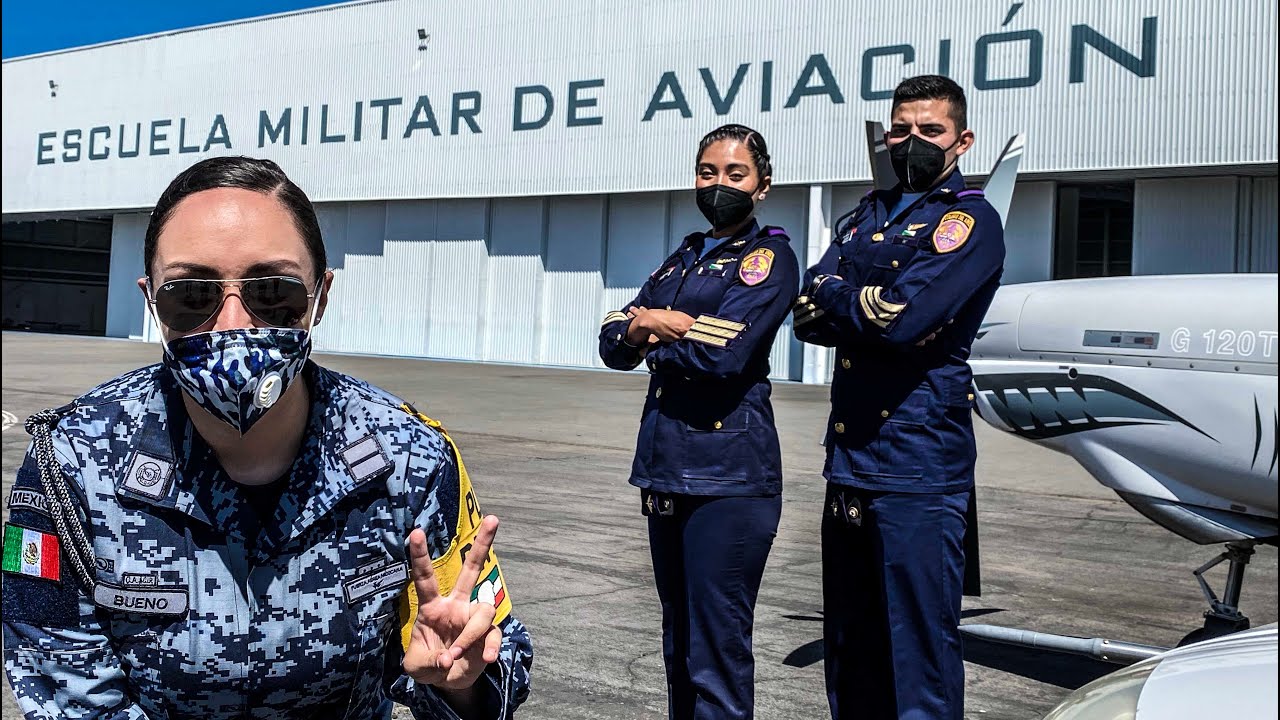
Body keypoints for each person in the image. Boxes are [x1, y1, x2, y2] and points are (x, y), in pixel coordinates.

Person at [2, 156, 533, 719]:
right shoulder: (64, 467)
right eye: (192, 296)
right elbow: (57, 678)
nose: (233, 324)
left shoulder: (413, 459)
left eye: (274, 293)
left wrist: (459, 685)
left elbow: (493, 662)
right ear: (152, 301)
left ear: (320, 297)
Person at [793, 75, 1006, 719]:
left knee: (918, 652)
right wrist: (862, 303)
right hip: (851, 458)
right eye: (902, 129)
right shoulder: (866, 213)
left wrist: (845, 300)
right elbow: (805, 311)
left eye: (931, 130)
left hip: (918, 463)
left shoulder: (968, 221)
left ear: (962, 141)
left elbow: (908, 320)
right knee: (851, 645)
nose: (913, 141)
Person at [598, 124, 799, 720]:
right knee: (679, 643)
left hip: (727, 478)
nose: (719, 185)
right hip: (666, 470)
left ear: (763, 185)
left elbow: (725, 353)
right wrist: (659, 322)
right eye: (708, 172)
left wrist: (655, 326)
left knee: (716, 648)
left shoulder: (770, 259)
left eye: (734, 174)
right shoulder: (684, 256)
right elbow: (614, 337)